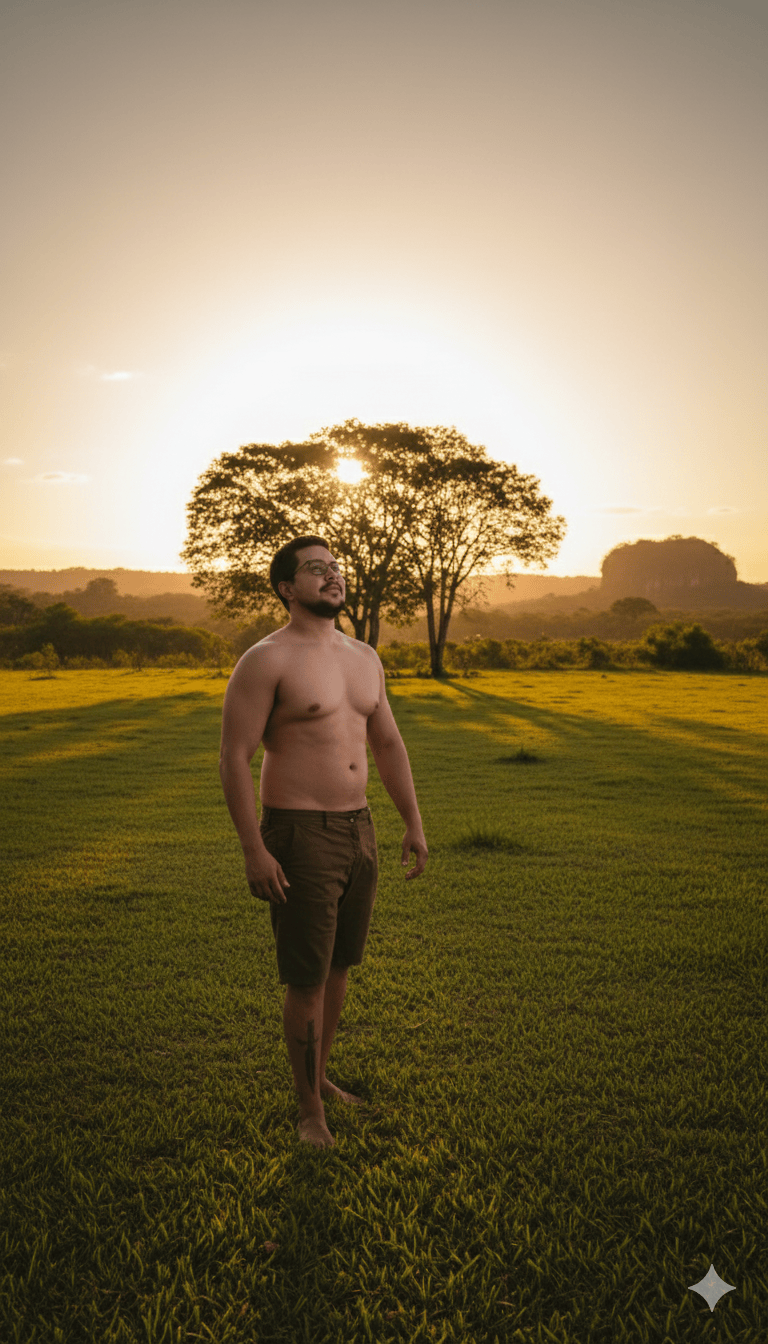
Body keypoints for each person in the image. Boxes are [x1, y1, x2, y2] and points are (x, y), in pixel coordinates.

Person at [219, 535, 428, 1148]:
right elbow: (234, 756)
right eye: (316, 570)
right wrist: (254, 849)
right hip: (298, 832)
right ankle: (310, 1110)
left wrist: (411, 822)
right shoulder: (266, 659)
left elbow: (386, 743)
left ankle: (319, 1078)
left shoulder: (363, 657)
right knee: (307, 977)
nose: (332, 577)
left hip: (359, 829)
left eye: (335, 567)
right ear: (287, 588)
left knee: (339, 967)